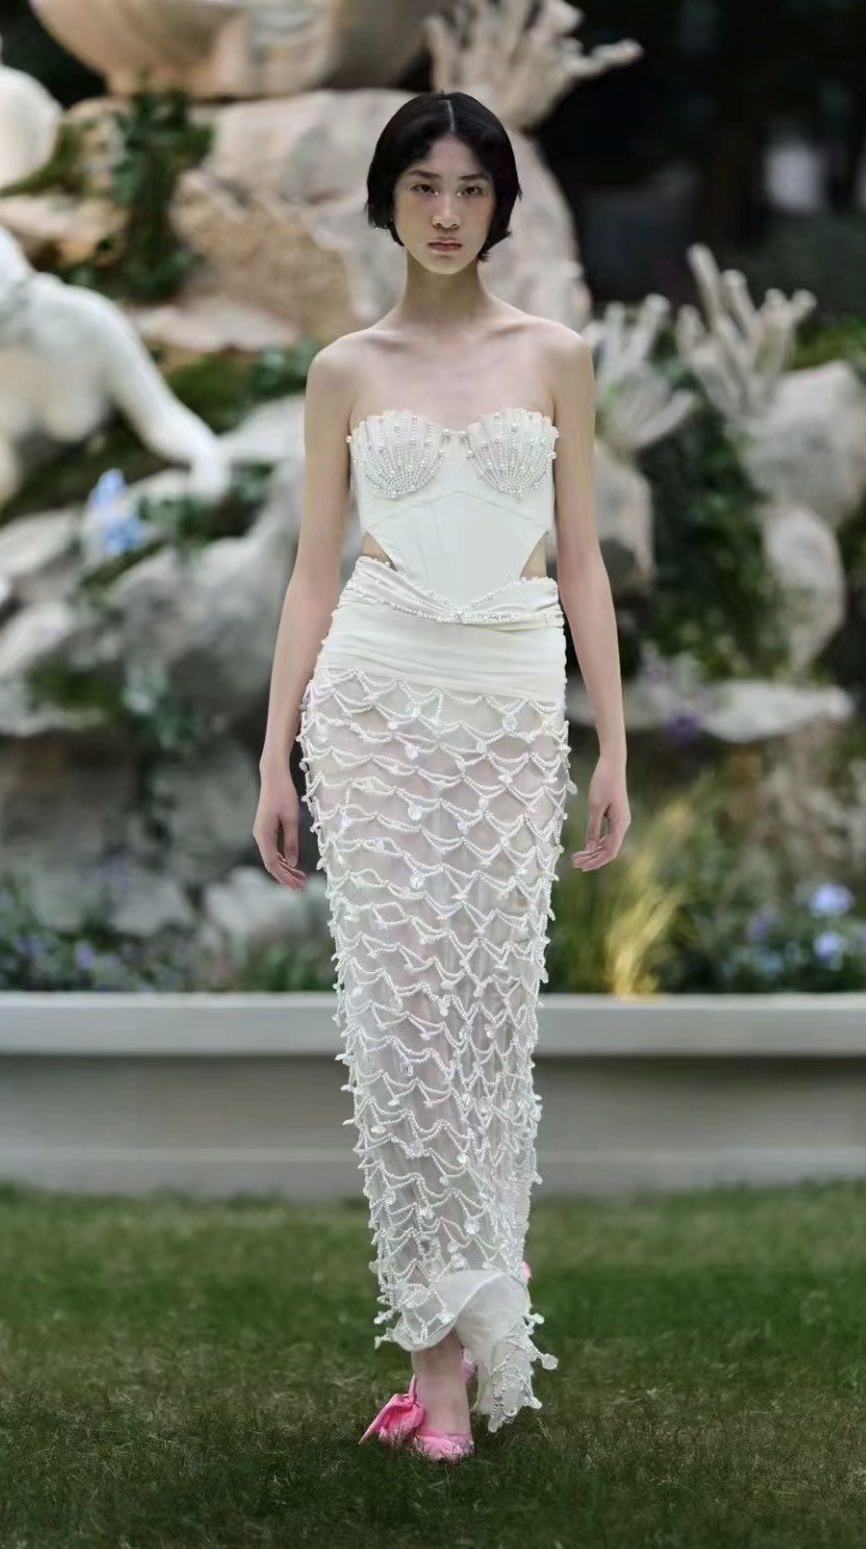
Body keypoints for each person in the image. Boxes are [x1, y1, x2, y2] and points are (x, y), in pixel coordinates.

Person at [253, 90, 630, 1463]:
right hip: (374, 697)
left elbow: (582, 558)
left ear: (502, 206)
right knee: (400, 1021)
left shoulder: (557, 357)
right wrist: (275, 751)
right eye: (425, 187)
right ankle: (439, 1360)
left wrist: (614, 740)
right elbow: (313, 571)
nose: (449, 213)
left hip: (515, 703)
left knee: (484, 1027)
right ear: (389, 200)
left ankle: (476, 1322)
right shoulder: (345, 370)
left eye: (473, 189)